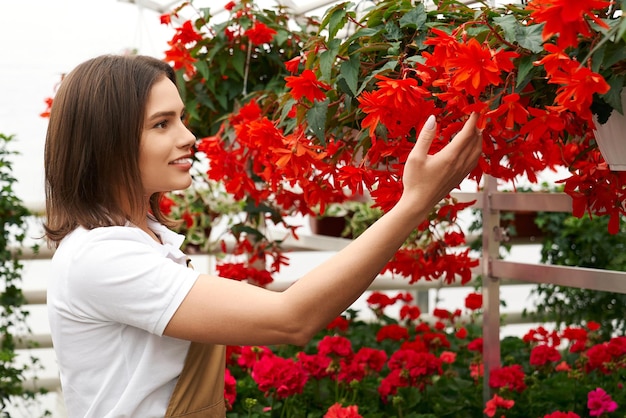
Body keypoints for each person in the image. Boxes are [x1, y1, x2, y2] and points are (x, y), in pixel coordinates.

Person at [44, 54, 482, 418]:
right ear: (108, 143)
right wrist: (413, 204)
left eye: (180, 118)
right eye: (162, 124)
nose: (189, 137)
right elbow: (291, 318)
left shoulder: (138, 239)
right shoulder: (101, 256)